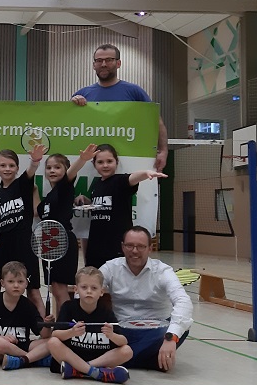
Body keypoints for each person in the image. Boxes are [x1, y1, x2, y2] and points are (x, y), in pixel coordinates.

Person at [99, 226, 193, 371]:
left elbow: (183, 301)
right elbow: (87, 288)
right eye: (130, 245)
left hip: (156, 332)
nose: (135, 251)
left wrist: (170, 338)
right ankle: (148, 361)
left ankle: (117, 358)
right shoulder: (110, 268)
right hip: (121, 331)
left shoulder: (163, 271)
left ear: (150, 248)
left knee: (181, 328)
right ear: (123, 247)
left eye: (141, 246)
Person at [71, 43, 168, 172]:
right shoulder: (82, 94)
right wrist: (71, 104)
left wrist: (163, 151)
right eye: (99, 60)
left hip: (129, 163)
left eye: (109, 60)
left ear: (118, 63)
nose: (104, 64)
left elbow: (156, 121)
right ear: (94, 65)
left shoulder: (134, 92)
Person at [0, 147, 45, 313]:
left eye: (11, 165)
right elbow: (2, 219)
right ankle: (2, 319)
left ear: (17, 168)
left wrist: (34, 161)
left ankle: (44, 331)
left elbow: (31, 171)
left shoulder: (23, 185)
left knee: (33, 292)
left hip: (25, 243)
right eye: (3, 165)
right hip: (4, 244)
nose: (7, 169)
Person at [76, 144, 166, 268]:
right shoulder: (96, 184)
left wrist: (146, 173)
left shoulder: (119, 181)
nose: (105, 165)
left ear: (116, 162)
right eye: (100, 162)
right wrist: (86, 201)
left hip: (116, 248)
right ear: (94, 164)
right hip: (96, 246)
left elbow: (133, 177)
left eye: (109, 161)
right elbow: (100, 205)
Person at [37, 144, 98, 314]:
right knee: (55, 289)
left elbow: (72, 173)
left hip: (62, 241)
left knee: (61, 289)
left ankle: (66, 326)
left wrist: (82, 159)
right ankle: (62, 324)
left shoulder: (64, 188)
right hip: (48, 245)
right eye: (48, 167)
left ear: (66, 170)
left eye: (57, 167)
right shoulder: (49, 197)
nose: (52, 171)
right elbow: (37, 211)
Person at [47, 266, 132, 384]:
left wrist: (111, 335)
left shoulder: (106, 312)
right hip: (72, 357)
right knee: (52, 342)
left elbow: (123, 342)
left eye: (94, 288)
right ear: (76, 289)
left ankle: (81, 370)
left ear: (101, 292)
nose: (89, 291)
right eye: (84, 287)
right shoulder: (69, 307)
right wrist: (71, 332)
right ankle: (97, 373)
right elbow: (55, 334)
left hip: (95, 360)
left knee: (127, 351)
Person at [0, 262, 53, 370]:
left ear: (26, 283)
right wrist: (1, 338)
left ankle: (21, 361)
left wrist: (47, 324)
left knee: (52, 341)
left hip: (22, 345)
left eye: (20, 281)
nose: (16, 285)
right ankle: (32, 360)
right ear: (2, 283)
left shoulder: (28, 305)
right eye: (11, 281)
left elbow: (44, 335)